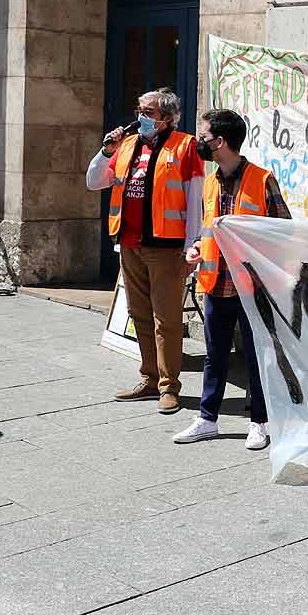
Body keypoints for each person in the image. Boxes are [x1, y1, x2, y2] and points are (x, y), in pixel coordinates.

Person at [174, 109, 290, 449]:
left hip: (251, 286)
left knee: (256, 354)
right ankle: (207, 419)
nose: (200, 142)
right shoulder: (210, 181)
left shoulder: (262, 178)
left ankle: (259, 421)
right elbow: (207, 228)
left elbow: (283, 230)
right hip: (215, 282)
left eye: (204, 136)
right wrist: (197, 247)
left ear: (220, 142)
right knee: (215, 355)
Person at [85, 88, 203, 413]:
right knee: (139, 315)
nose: (141, 116)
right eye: (139, 108)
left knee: (165, 319)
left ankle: (169, 387)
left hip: (166, 247)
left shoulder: (185, 145)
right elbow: (94, 182)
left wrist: (192, 245)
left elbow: (195, 199)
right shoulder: (125, 145)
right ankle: (149, 379)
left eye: (148, 111)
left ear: (167, 118)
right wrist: (105, 151)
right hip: (129, 243)